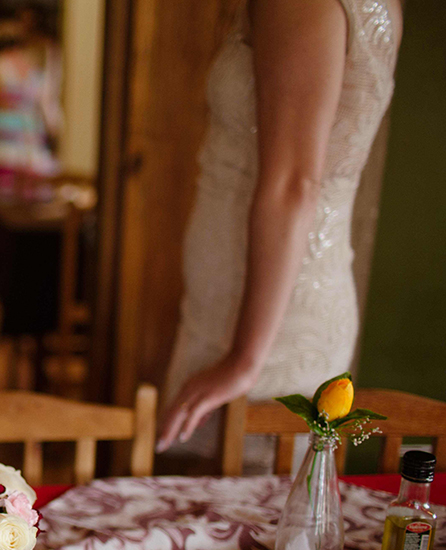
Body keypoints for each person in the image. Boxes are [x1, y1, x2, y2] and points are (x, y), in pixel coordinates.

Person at [158, 0, 402, 467]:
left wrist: (242, 360)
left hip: (261, 324)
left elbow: (294, 184)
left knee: (236, 516)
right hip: (268, 304)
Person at [0, 11, 61, 201]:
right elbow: (44, 106)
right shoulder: (32, 69)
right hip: (31, 145)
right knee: (25, 203)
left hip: (0, 144)